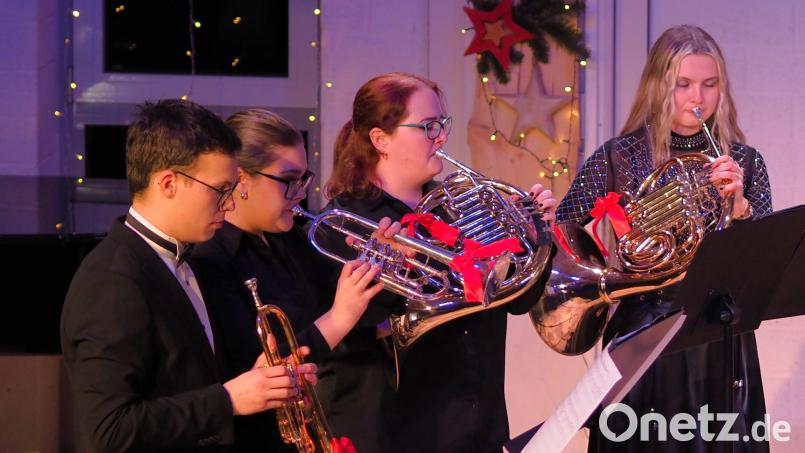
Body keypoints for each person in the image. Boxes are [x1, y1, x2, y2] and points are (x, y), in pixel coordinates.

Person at [554, 25, 772, 452]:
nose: (698, 98)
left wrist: (742, 207)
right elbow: (565, 233)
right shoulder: (619, 155)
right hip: (643, 332)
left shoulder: (745, 160)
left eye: (710, 85)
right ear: (659, 86)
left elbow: (762, 263)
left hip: (718, 338)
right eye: (684, 85)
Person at [320, 72, 558, 453]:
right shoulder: (346, 222)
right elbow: (351, 336)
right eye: (428, 127)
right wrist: (391, 267)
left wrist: (534, 237)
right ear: (381, 140)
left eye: (442, 125)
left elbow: (519, 301)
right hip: (402, 432)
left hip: (480, 424)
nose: (442, 137)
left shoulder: (459, 205)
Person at [60, 99, 313, 453]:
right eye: (220, 189)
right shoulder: (113, 280)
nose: (228, 203)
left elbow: (188, 382)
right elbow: (109, 431)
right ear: (168, 184)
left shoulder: (186, 258)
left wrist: (259, 377)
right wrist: (228, 399)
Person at [189, 108, 402, 452]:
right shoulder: (211, 260)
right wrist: (337, 319)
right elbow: (256, 368)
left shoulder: (291, 239)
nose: (302, 193)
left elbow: (354, 316)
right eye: (290, 180)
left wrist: (381, 264)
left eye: (305, 178)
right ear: (241, 180)